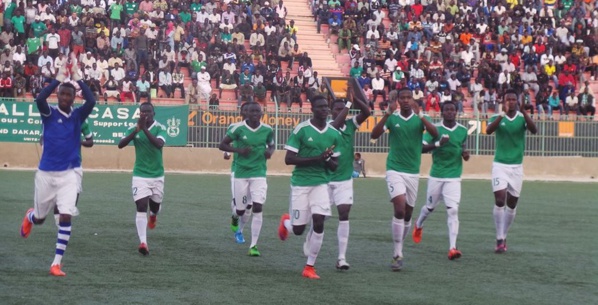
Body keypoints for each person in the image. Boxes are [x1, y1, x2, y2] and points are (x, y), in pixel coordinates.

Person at [19, 54, 96, 277]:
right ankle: (31, 216)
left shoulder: (78, 116)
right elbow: (40, 99)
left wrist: (78, 77)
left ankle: (56, 263)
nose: (64, 96)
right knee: (42, 219)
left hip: (70, 174)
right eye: (61, 93)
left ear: (73, 97)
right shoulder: (49, 113)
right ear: (58, 95)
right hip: (46, 174)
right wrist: (59, 77)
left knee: (65, 215)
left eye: (68, 94)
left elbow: (91, 101)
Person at [370, 88, 438, 271]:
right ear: (398, 100)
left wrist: (422, 115)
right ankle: (397, 253)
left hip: (413, 173)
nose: (406, 100)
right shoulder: (393, 118)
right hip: (394, 169)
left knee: (407, 214)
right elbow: (374, 135)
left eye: (409, 97)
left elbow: (436, 134)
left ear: (413, 99)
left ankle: (399, 247)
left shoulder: (420, 118)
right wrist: (387, 114)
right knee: (399, 209)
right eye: (403, 98)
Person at [277, 95, 341, 279]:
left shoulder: (333, 133)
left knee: (319, 222)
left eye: (325, 107)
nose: (324, 110)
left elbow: (335, 165)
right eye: (320, 107)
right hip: (300, 185)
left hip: (321, 183)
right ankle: (287, 223)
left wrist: (327, 159)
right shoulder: (302, 130)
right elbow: (289, 159)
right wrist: (317, 158)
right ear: (312, 109)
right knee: (299, 230)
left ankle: (309, 267)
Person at [412, 101, 470, 260]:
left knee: (453, 210)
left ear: (456, 112)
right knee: (429, 207)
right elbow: (421, 148)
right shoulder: (434, 129)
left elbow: (463, 147)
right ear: (442, 112)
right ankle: (418, 224)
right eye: (447, 110)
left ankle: (452, 247)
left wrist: (465, 154)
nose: (450, 112)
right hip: (437, 175)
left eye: (453, 110)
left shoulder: (463, 130)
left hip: (454, 176)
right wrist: (438, 144)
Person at [219, 103, 274, 256]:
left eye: (258, 111)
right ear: (245, 113)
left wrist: (270, 152)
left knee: (255, 207)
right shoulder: (236, 128)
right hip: (239, 172)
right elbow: (223, 145)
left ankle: (252, 244)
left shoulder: (268, 129)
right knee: (241, 209)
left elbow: (271, 145)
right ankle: (235, 217)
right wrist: (236, 152)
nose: (255, 113)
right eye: (251, 111)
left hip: (259, 173)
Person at [486, 89, 537, 253]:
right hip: (500, 165)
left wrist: (524, 112)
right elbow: (488, 130)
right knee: (500, 200)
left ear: (518, 101)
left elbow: (534, 130)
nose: (511, 102)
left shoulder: (522, 118)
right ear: (503, 101)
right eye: (508, 99)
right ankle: (499, 238)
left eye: (514, 99)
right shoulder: (497, 117)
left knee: (512, 204)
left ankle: (503, 235)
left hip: (516, 167)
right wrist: (502, 114)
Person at [325, 94, 370, 270]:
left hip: (344, 180)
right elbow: (337, 124)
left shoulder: (351, 125)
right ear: (331, 111)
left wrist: (355, 97)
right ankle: (310, 234)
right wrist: (349, 103)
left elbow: (367, 111)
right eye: (336, 108)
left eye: (342, 108)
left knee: (344, 214)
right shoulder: (329, 127)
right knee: (320, 218)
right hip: (326, 180)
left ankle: (341, 257)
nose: (339, 111)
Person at [118, 103, 167, 256]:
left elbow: (159, 144)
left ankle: (153, 216)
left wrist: (144, 129)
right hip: (140, 175)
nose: (145, 114)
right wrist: (136, 131)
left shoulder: (160, 128)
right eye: (142, 112)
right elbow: (121, 144)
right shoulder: (134, 128)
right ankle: (143, 242)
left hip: (157, 175)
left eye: (148, 111)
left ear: (154, 113)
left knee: (155, 207)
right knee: (141, 206)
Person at [50, 120, 94, 227]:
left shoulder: (81, 120)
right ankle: (61, 228)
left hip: (75, 165)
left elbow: (90, 142)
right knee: (58, 200)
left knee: (73, 199)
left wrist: (79, 142)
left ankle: (63, 225)